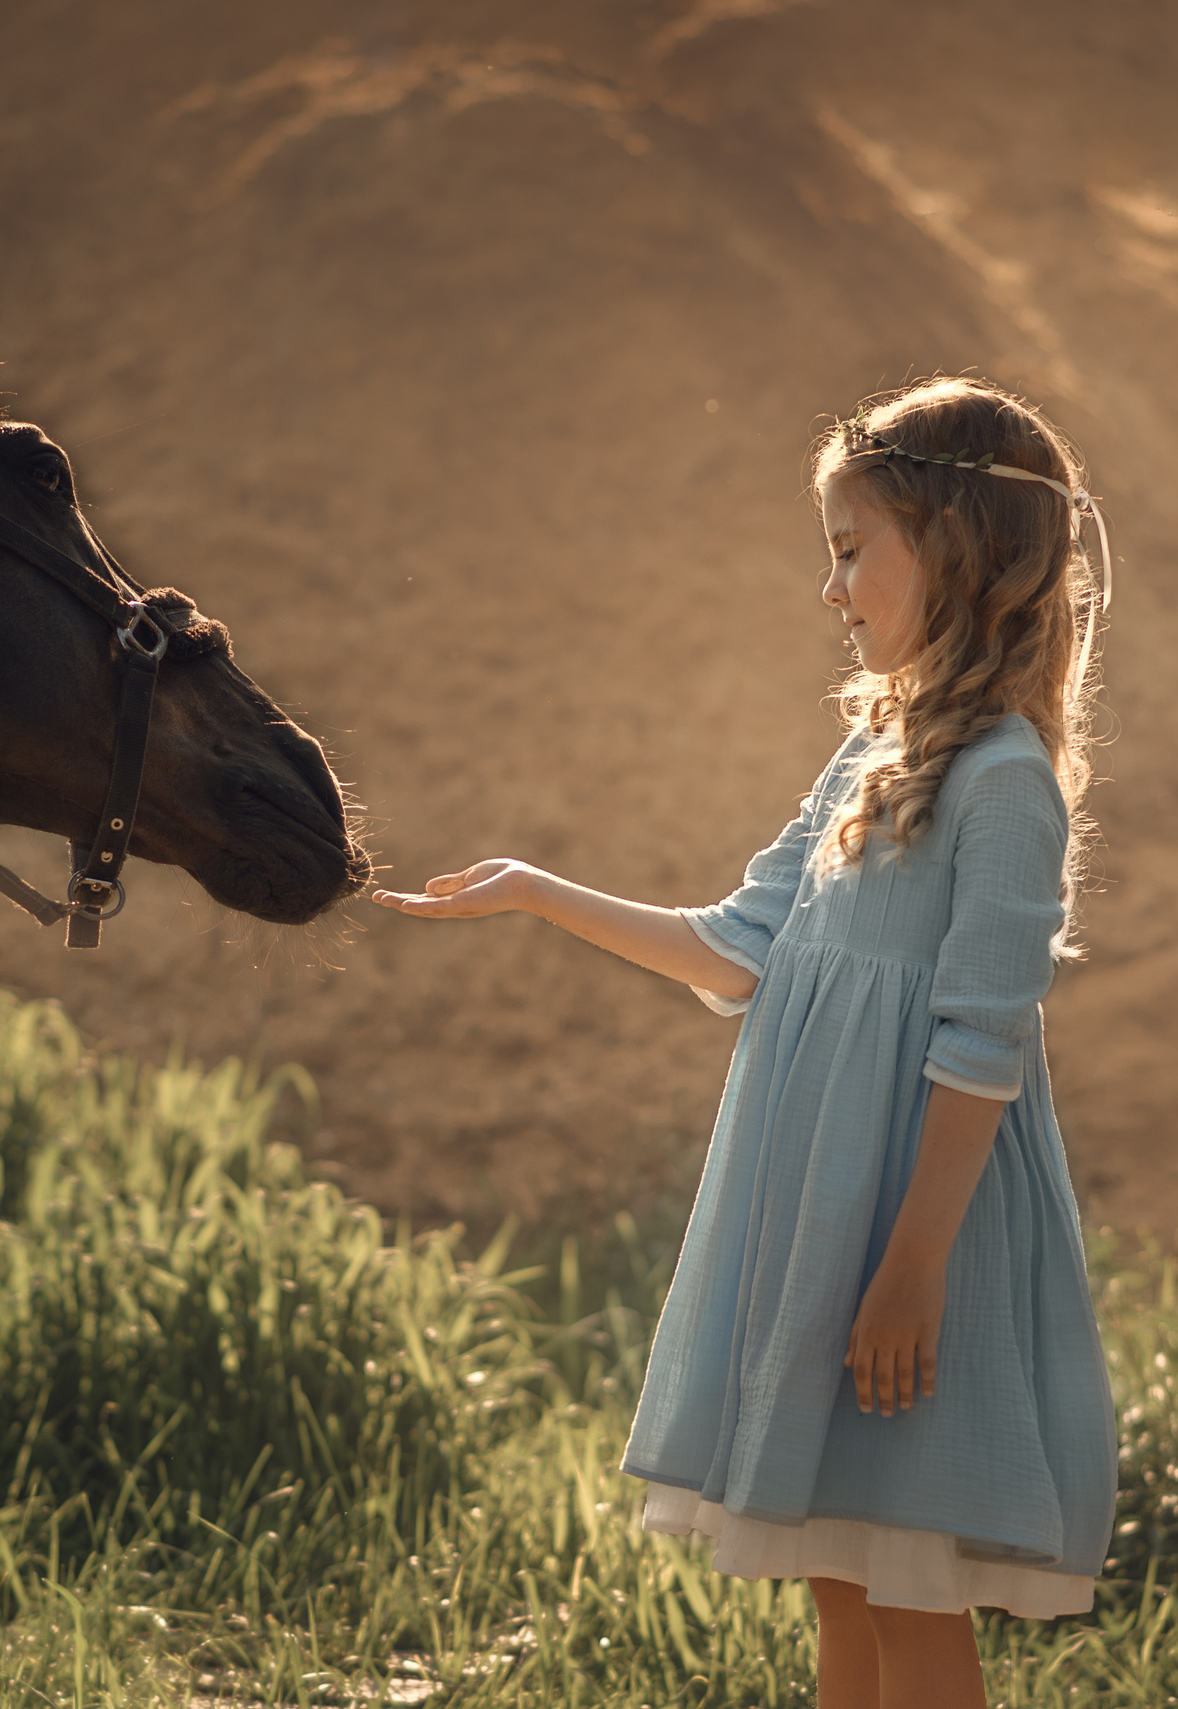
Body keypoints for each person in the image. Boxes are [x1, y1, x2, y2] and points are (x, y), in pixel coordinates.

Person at [371, 375, 1119, 1709]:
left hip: (912, 1240)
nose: (830, 588)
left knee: (910, 1587)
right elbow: (734, 945)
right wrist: (538, 890)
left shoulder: (1003, 782)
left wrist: (909, 1271)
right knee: (839, 1569)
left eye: (851, 550)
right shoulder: (868, 760)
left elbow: (980, 1049)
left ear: (953, 549)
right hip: (820, 1221)